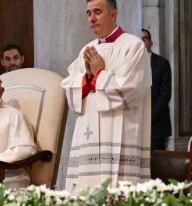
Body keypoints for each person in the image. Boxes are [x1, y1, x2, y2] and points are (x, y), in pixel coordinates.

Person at [61, 0, 151, 191]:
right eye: (88, 13)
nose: (91, 18)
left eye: (97, 12)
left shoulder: (133, 46)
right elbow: (70, 86)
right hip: (89, 138)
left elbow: (130, 90)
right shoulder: (86, 50)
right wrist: (87, 78)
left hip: (120, 133)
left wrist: (99, 73)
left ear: (113, 14)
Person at [141, 29, 172, 151]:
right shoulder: (130, 65)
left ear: (151, 43)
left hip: (156, 125)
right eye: (139, 39)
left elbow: (165, 96)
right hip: (135, 125)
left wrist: (148, 117)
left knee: (156, 166)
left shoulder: (162, 64)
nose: (141, 42)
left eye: (145, 39)